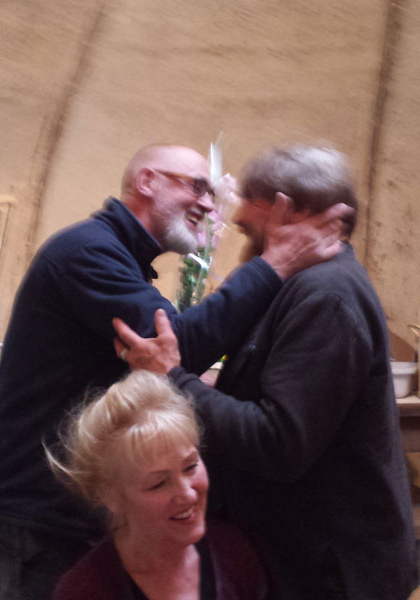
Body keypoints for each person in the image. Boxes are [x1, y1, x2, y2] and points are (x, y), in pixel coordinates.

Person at [0, 143, 351, 599]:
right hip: (31, 520)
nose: (209, 205)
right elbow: (180, 348)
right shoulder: (86, 251)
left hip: (59, 514)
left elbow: (155, 364)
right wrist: (275, 262)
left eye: (211, 193)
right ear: (147, 182)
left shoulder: (118, 256)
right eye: (197, 187)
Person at [112, 144, 418, 600]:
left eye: (249, 201)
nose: (236, 217)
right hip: (304, 560)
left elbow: (277, 443)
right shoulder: (301, 285)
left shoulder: (326, 296)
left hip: (334, 574)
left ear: (287, 208)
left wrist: (174, 378)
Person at [49, 369, 268, 600]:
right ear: (110, 496)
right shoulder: (85, 591)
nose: (187, 494)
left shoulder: (233, 552)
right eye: (158, 484)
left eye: (190, 466)